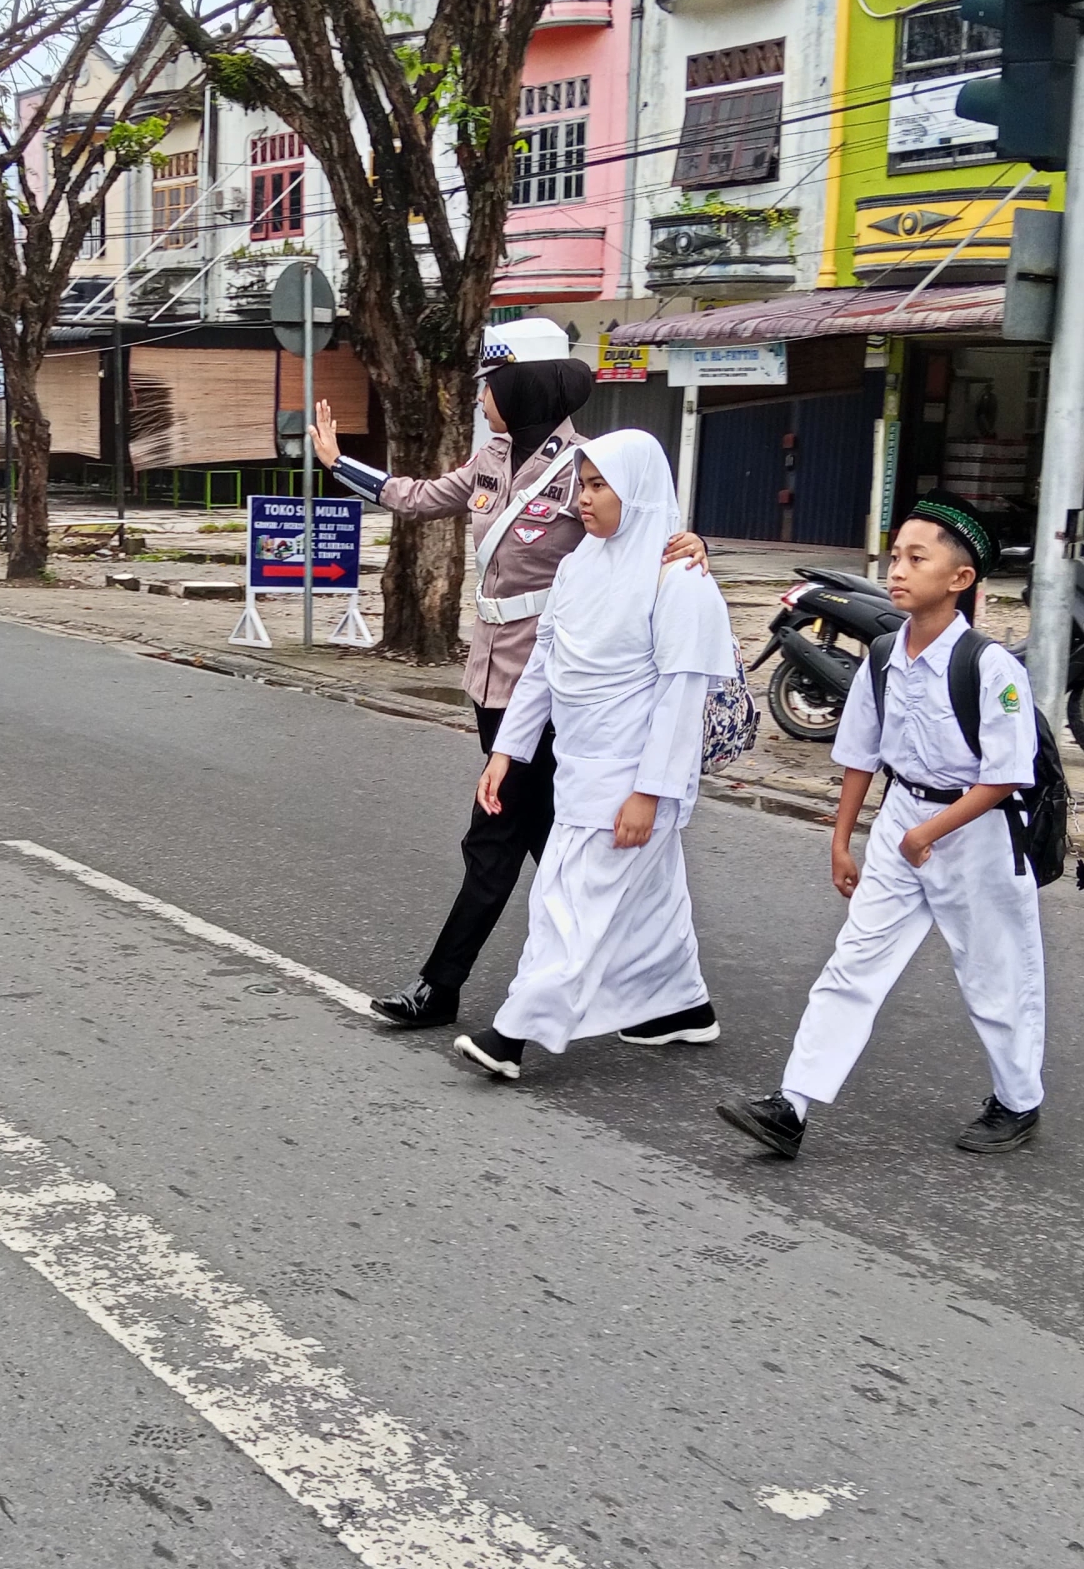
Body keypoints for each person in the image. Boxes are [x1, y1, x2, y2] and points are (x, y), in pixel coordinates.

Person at [315, 354, 706, 1032]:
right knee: (558, 839)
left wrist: (695, 546)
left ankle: (446, 988)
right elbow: (419, 497)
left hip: (559, 683)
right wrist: (337, 463)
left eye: (488, 389)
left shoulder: (592, 467)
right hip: (493, 673)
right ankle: (667, 995)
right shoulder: (491, 459)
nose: (481, 401)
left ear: (518, 394)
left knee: (499, 833)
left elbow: (647, 534)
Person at [715, 494, 1045, 1159]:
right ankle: (792, 1105)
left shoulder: (990, 668)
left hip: (975, 831)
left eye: (916, 558)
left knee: (992, 972)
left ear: (960, 579)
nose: (897, 569)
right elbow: (860, 755)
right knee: (853, 963)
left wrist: (932, 833)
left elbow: (1007, 774)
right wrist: (842, 839)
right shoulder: (885, 655)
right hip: (903, 821)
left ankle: (1018, 1101)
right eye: (895, 556)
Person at [447, 430, 734, 1081]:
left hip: (630, 779)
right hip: (579, 766)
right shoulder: (579, 566)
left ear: (636, 492)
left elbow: (681, 698)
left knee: (566, 899)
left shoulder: (678, 580)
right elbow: (544, 667)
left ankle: (514, 1033)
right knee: (653, 897)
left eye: (599, 485)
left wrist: (650, 791)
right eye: (582, 483)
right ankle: (680, 1006)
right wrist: (508, 753)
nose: (584, 498)